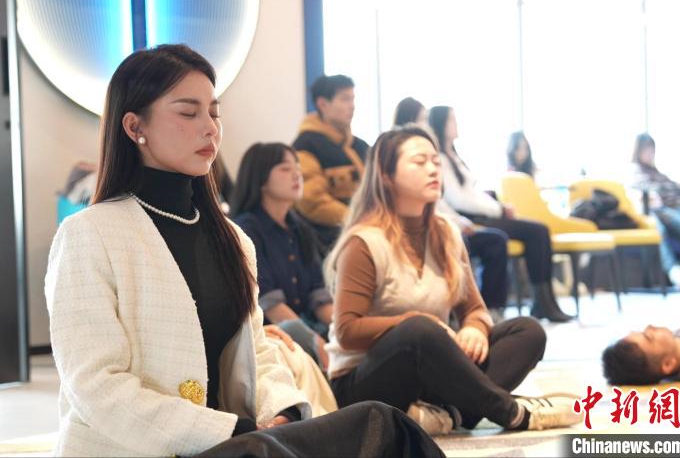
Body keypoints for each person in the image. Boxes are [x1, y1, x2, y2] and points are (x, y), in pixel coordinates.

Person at [44, 44, 444, 457]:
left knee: (382, 422)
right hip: (155, 449)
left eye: (214, 113)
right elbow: (96, 386)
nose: (210, 128)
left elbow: (258, 353)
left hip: (239, 442)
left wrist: (283, 413)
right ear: (134, 126)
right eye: (189, 113)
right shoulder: (89, 234)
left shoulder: (232, 239)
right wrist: (235, 430)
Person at [324, 125, 581, 435]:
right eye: (419, 162)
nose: (433, 169)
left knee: (527, 331)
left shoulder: (446, 232)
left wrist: (474, 328)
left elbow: (474, 309)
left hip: (430, 379)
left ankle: (447, 415)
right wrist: (414, 321)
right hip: (365, 382)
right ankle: (511, 412)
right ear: (386, 176)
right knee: (419, 329)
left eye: (435, 161)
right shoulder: (363, 242)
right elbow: (348, 331)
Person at [429, 106, 572, 322]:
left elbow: (474, 193)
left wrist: (500, 206)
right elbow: (460, 200)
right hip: (473, 218)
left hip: (484, 214)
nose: (456, 124)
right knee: (530, 233)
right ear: (441, 124)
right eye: (452, 120)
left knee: (540, 231)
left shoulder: (454, 156)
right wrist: (499, 209)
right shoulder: (440, 158)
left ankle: (544, 300)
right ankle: (538, 304)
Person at [393, 97, 510, 315]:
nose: (431, 169)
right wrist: (464, 220)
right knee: (470, 239)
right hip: (432, 225)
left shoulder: (448, 155)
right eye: (423, 119)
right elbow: (454, 201)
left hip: (447, 221)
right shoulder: (400, 157)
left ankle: (481, 311)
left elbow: (440, 203)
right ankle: (471, 311)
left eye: (434, 163)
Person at [232, 142, 332, 369]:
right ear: (261, 179)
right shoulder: (246, 230)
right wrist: (317, 343)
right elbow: (270, 306)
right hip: (272, 340)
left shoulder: (301, 228)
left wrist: (343, 333)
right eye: (286, 168)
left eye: (298, 168)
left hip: (309, 330)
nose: (297, 174)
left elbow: (319, 296)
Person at [292, 74, 369, 252]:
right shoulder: (306, 145)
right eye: (345, 99)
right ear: (322, 104)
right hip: (328, 243)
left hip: (365, 233)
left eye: (353, 99)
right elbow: (312, 201)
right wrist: (358, 219)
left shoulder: (361, 146)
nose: (352, 105)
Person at [630, 133, 680, 289]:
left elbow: (676, 190)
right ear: (638, 151)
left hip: (674, 208)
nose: (650, 153)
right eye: (647, 149)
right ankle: (676, 272)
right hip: (660, 212)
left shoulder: (657, 173)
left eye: (652, 149)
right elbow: (648, 195)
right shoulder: (635, 172)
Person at [602, 323, 680, 385]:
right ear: (668, 364)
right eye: (649, 336)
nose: (649, 326)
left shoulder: (675, 340)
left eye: (641, 331)